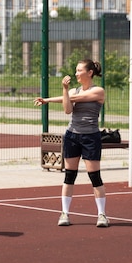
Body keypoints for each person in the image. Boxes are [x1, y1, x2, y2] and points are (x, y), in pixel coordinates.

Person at [34, 59, 108, 227]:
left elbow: (77, 97)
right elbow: (68, 109)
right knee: (69, 176)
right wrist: (64, 90)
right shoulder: (72, 91)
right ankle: (65, 214)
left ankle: (102, 215)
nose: (76, 73)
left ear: (89, 73)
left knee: (95, 177)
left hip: (91, 137)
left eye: (79, 70)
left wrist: (49, 98)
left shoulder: (98, 91)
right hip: (72, 136)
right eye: (75, 70)